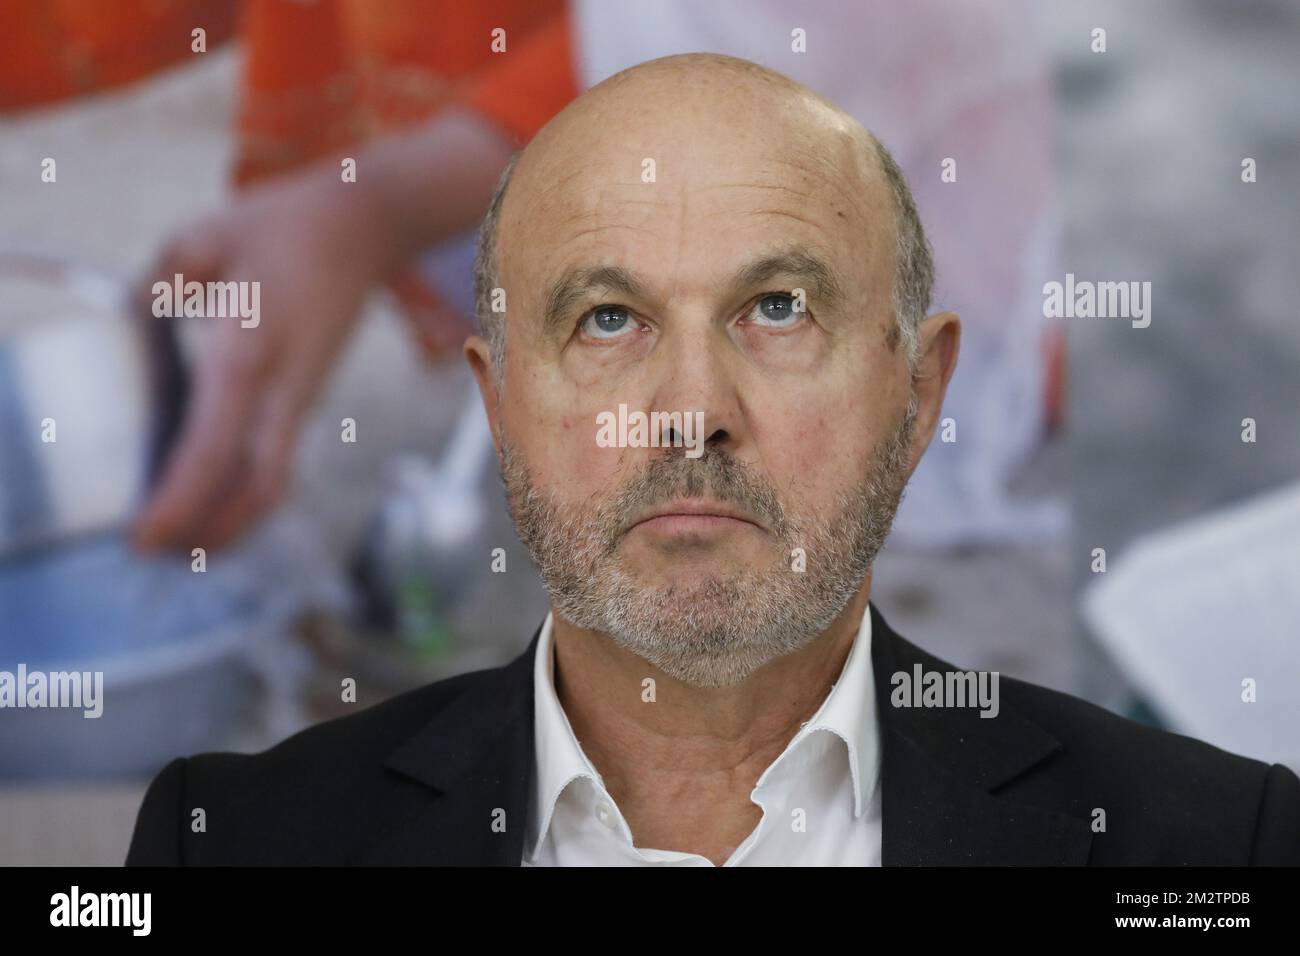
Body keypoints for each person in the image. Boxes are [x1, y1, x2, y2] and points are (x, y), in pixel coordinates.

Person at [126, 53, 1300, 866]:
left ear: (919, 388)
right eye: (605, 319)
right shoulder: (234, 842)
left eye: (778, 309)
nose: (690, 412)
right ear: (499, 403)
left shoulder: (1210, 843)